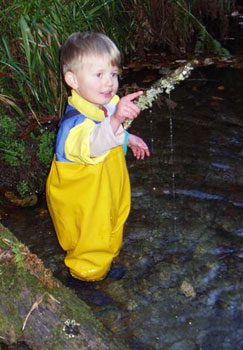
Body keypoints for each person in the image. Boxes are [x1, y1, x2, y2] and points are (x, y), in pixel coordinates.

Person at [46, 31, 150, 282]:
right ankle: (84, 281)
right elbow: (92, 144)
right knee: (89, 241)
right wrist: (116, 120)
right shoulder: (74, 125)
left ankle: (104, 262)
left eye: (113, 74)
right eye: (99, 75)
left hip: (106, 193)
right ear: (73, 79)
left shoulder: (102, 108)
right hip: (84, 203)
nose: (109, 83)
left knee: (113, 224)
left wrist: (128, 138)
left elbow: (109, 135)